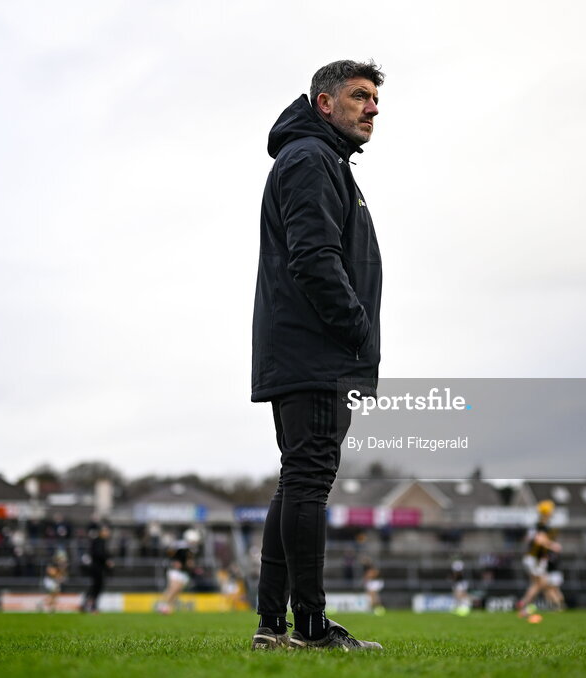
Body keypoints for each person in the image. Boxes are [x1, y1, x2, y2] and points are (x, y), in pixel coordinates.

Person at [250, 59, 384, 652]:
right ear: (325, 103)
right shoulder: (310, 159)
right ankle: (308, 627)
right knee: (308, 481)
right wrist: (356, 330)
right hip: (316, 350)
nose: (373, 108)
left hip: (302, 349)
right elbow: (314, 258)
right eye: (360, 96)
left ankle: (273, 627)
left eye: (376, 99)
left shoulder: (316, 158)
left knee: (295, 481)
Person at [516, 501, 563, 617]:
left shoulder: (537, 525)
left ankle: (524, 606)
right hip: (534, 559)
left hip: (534, 559)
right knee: (540, 584)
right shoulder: (542, 526)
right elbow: (539, 540)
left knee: (538, 584)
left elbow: (529, 539)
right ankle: (524, 605)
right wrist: (553, 545)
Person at [157, 529, 200, 614]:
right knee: (173, 588)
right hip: (175, 570)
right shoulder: (179, 546)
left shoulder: (193, 549)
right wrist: (174, 561)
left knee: (177, 590)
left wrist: (190, 564)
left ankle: (167, 606)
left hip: (184, 572)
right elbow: (169, 553)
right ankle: (163, 605)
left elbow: (190, 560)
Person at [81, 525, 114, 614]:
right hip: (97, 568)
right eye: (106, 531)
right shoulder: (99, 541)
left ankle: (86, 605)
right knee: (96, 587)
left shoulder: (100, 541)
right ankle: (92, 606)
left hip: (97, 568)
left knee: (95, 587)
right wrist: (107, 560)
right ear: (102, 532)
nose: (108, 533)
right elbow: (98, 553)